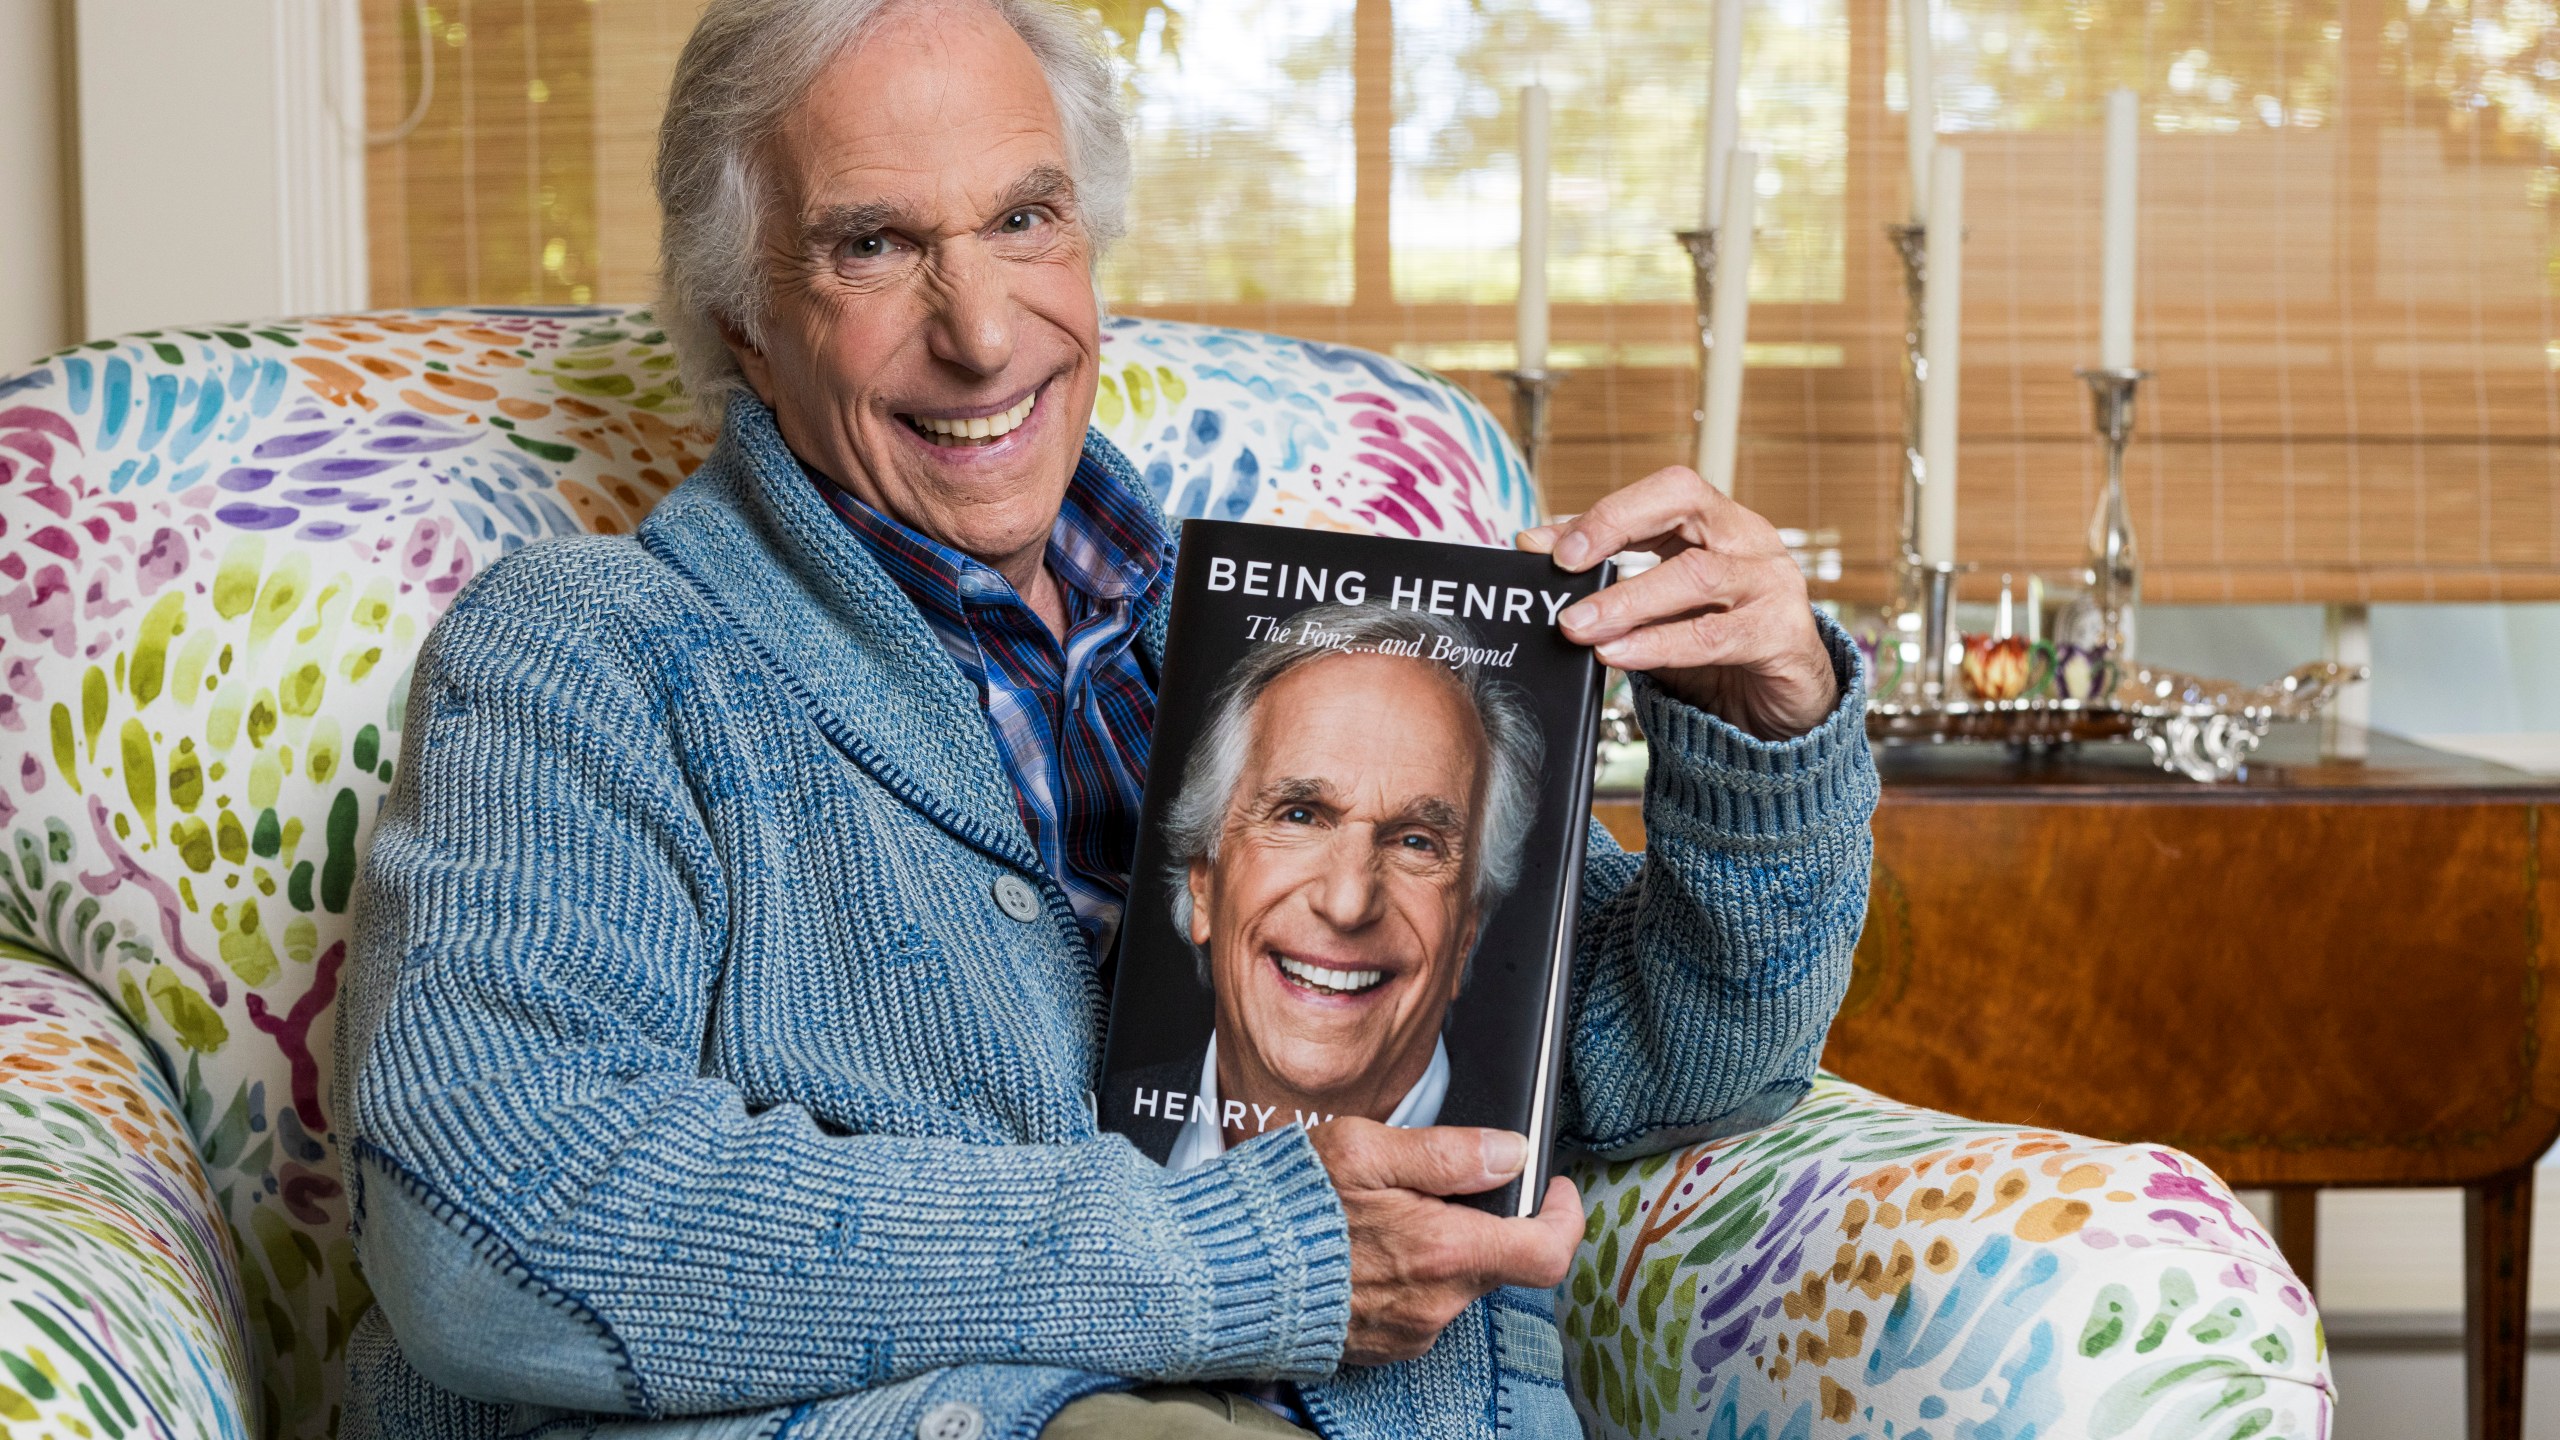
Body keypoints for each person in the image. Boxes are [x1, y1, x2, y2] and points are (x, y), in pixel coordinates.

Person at [334, 0, 1877, 1437]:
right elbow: (492, 1223)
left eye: (1024, 218)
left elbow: (1660, 1060)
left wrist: (1767, 737)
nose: (986, 333)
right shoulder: (585, 656)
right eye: (873, 246)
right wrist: (1227, 1261)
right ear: (745, 321)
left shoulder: (1277, 643)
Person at [1119, 604, 1541, 1169]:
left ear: (1468, 928)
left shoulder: (1527, 1160)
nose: (1346, 904)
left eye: (1417, 842)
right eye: (1299, 815)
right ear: (1204, 884)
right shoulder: (1086, 1127)